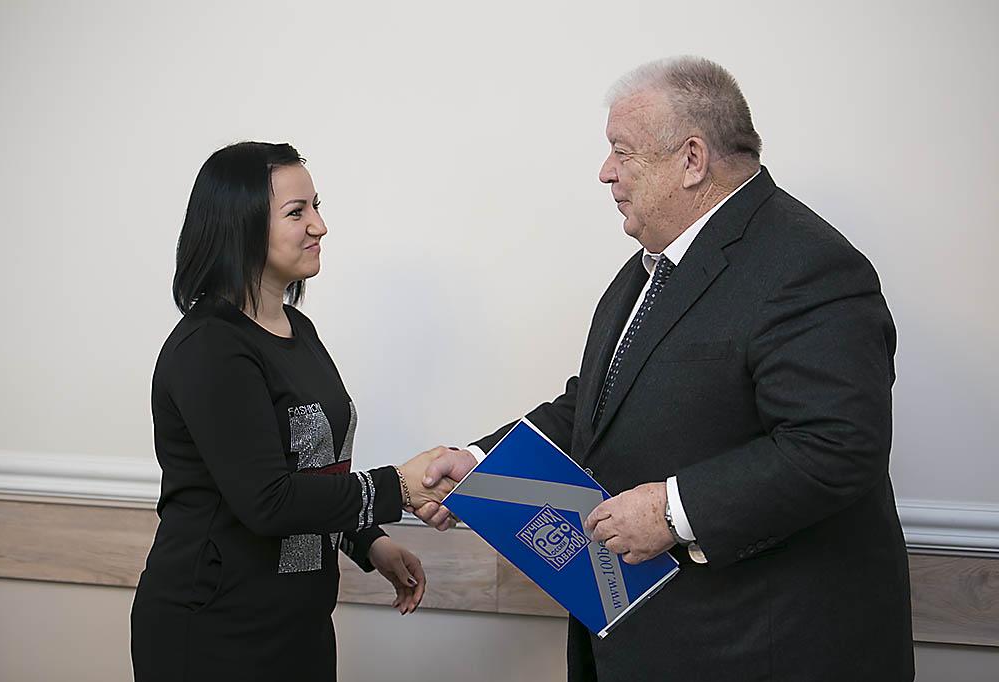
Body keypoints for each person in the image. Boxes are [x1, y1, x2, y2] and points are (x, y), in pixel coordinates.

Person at [415, 57, 914, 681]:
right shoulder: (648, 270)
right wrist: (483, 463)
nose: (605, 172)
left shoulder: (808, 264)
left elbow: (836, 445)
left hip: (762, 653)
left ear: (692, 160)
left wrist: (672, 511)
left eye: (622, 152)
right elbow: (596, 407)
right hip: (651, 644)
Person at [131, 141, 460, 681]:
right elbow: (268, 500)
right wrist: (398, 488)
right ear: (239, 225)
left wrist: (368, 540)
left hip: (298, 626)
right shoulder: (210, 346)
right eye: (296, 212)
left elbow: (310, 471)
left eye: (316, 207)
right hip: (214, 632)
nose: (319, 226)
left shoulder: (298, 331)